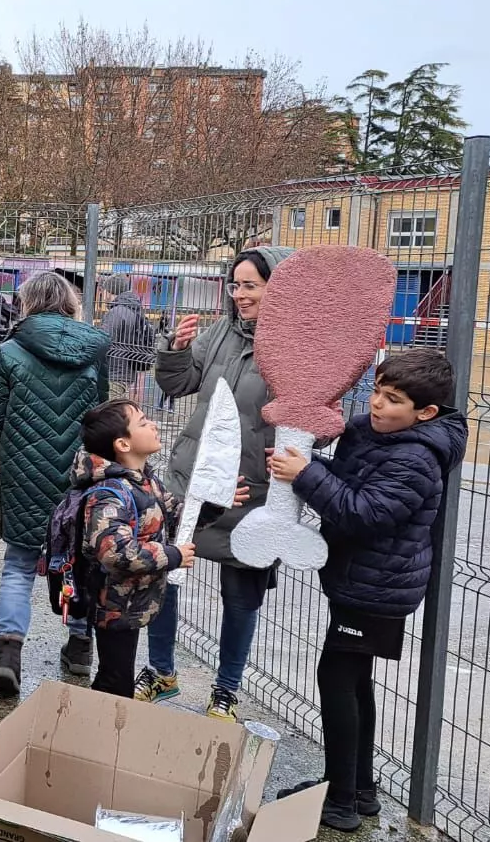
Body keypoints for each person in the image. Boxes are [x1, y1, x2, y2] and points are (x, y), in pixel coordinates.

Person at [269, 350, 466, 830]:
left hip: (379, 586)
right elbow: (347, 482)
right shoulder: (374, 433)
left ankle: (340, 804)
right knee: (353, 681)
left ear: (426, 413)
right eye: (377, 391)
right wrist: (306, 461)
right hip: (361, 577)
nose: (377, 404)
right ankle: (359, 791)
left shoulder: (418, 457)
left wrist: (307, 476)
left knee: (337, 680)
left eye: (392, 399)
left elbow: (365, 513)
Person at [141, 246, 292, 720]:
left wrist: (296, 455)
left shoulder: (297, 345)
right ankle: (161, 671)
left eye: (250, 285)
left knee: (241, 595)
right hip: (192, 478)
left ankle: (225, 689)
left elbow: (318, 417)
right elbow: (179, 383)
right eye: (236, 284)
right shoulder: (221, 332)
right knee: (166, 572)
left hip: (254, 490)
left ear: (279, 289)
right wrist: (176, 350)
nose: (239, 294)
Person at [0, 271, 109, 695]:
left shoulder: (10, 351)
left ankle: (9, 654)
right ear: (70, 302)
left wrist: (6, 453)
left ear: (27, 303)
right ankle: (79, 645)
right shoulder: (95, 350)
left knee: (18, 564)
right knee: (81, 561)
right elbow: (102, 416)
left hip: (23, 470)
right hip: (78, 474)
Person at [70, 400, 192, 697]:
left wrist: (211, 507)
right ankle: (91, 735)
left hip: (132, 602)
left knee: (115, 678)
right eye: (143, 422)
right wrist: (172, 556)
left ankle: (98, 731)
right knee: (115, 683)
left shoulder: (144, 480)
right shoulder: (108, 493)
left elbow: (172, 513)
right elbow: (116, 552)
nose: (154, 425)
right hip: (112, 605)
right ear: (123, 444)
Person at [98, 277, 157, 401]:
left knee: (106, 414)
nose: (102, 295)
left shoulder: (116, 313)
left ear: (110, 291)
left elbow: (102, 341)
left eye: (103, 291)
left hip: (112, 373)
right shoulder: (133, 310)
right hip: (126, 373)